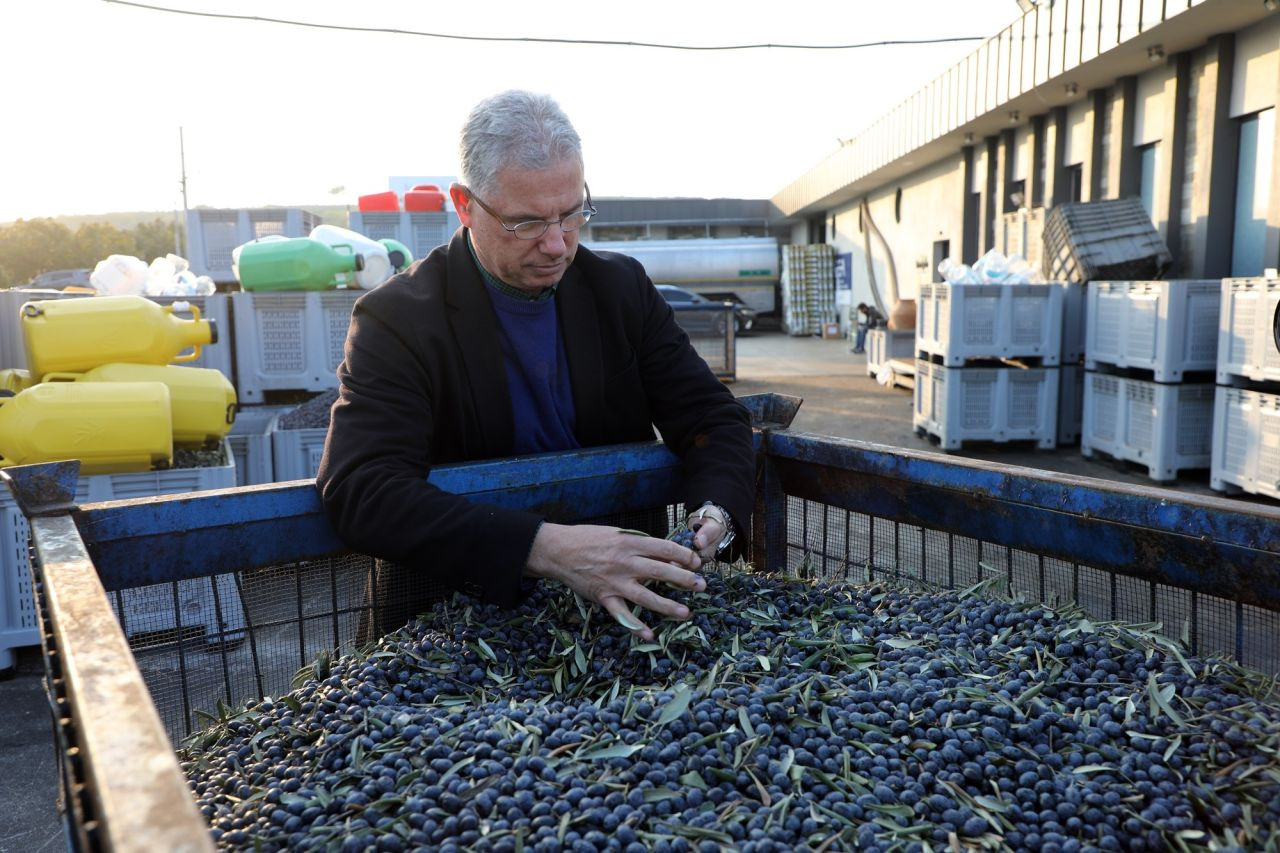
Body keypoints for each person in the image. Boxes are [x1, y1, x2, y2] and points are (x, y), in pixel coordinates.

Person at [316, 90, 754, 643]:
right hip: (452, 629)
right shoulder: (397, 319)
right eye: (526, 223)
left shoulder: (620, 290)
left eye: (571, 214)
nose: (557, 245)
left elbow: (711, 418)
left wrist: (715, 512)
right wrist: (544, 547)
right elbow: (361, 487)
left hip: (622, 616)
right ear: (465, 205)